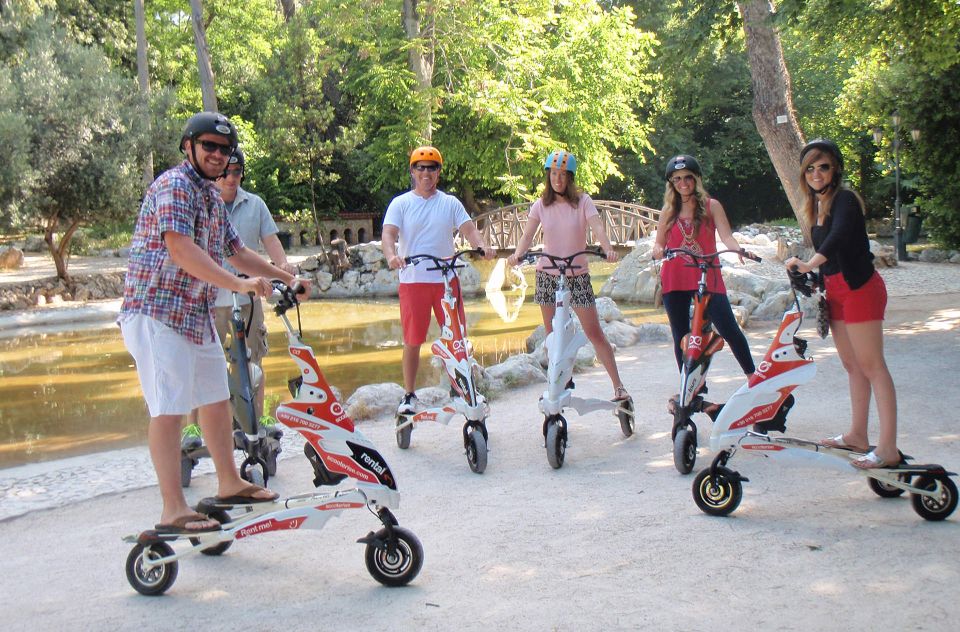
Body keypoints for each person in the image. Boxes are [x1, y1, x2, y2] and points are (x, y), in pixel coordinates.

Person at [118, 112, 309, 533]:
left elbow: (236, 251)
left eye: (225, 150)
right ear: (189, 147)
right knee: (168, 408)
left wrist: (286, 276)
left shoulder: (209, 195)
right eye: (209, 146)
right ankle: (173, 508)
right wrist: (240, 286)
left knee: (215, 397)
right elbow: (182, 251)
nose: (218, 155)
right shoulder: (174, 186)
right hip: (157, 312)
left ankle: (228, 482)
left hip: (195, 313)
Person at [785, 138, 899, 469]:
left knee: (873, 366)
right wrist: (810, 276)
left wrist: (809, 262)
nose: (816, 173)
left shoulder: (846, 200)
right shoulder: (815, 207)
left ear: (835, 169)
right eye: (810, 168)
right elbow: (829, 255)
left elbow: (838, 240)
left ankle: (888, 447)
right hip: (835, 291)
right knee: (853, 366)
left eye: (823, 166)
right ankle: (857, 436)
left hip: (859, 289)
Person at [182, 148, 295, 446]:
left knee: (254, 360)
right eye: (225, 173)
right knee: (203, 365)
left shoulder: (254, 205)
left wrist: (284, 270)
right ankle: (192, 428)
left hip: (248, 300)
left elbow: (270, 244)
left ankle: (256, 420)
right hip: (208, 300)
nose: (230, 178)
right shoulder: (202, 204)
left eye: (236, 172)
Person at [507, 150, 629, 402]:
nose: (557, 180)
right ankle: (561, 382)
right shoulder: (541, 205)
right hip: (548, 274)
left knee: (594, 332)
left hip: (577, 274)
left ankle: (618, 387)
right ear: (548, 176)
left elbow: (597, 226)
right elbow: (527, 236)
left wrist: (607, 248)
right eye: (553, 174)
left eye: (562, 175)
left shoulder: (583, 201)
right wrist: (517, 255)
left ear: (570, 178)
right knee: (553, 336)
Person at [381, 145, 493, 415]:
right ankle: (409, 394)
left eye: (432, 168)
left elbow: (469, 230)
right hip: (413, 280)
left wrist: (482, 246)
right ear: (413, 171)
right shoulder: (401, 203)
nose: (426, 173)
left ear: (439, 172)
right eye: (420, 167)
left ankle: (461, 387)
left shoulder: (450, 202)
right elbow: (389, 234)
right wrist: (391, 255)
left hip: (446, 279)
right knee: (413, 339)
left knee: (456, 336)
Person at [651, 154, 755, 410]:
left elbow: (727, 236)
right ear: (671, 183)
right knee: (681, 335)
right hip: (675, 274)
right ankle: (690, 386)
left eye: (688, 178)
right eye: (677, 179)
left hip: (707, 273)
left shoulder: (712, 206)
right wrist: (657, 250)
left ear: (696, 179)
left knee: (728, 327)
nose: (683, 183)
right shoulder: (668, 210)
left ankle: (754, 378)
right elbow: (659, 243)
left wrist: (739, 250)